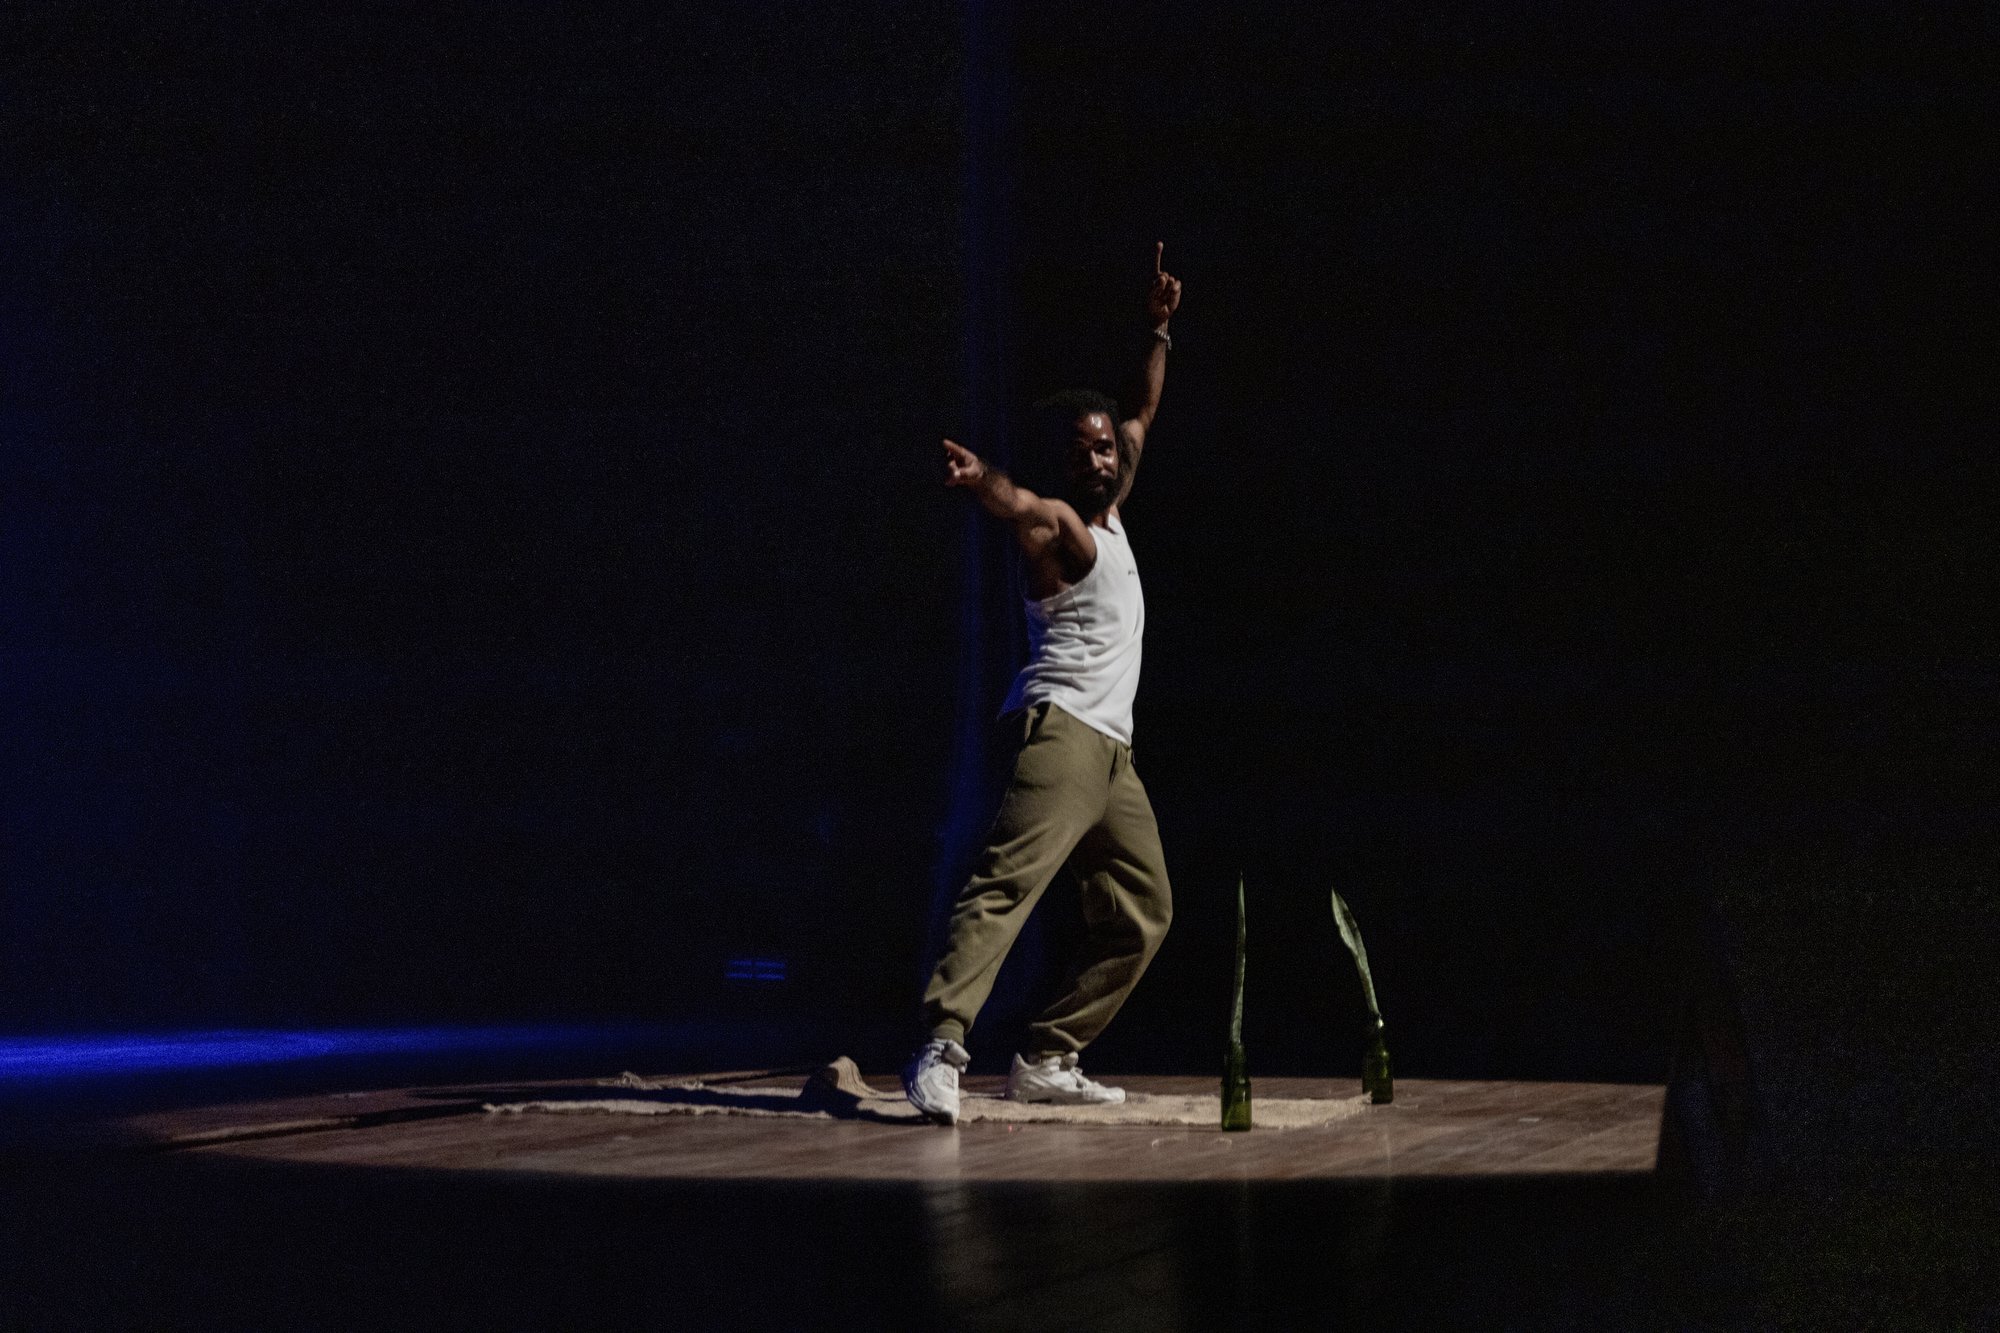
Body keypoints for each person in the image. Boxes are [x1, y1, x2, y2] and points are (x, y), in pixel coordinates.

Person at [904, 243, 1184, 1124]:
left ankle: (1050, 1053)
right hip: (1060, 732)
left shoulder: (1116, 503)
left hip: (1114, 757)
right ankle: (941, 1045)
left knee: (1145, 910)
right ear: (1064, 463)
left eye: (1105, 449)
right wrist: (979, 478)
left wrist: (1158, 330)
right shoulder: (1064, 527)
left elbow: (1143, 407)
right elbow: (1017, 503)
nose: (1100, 460)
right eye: (1084, 452)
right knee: (1007, 883)